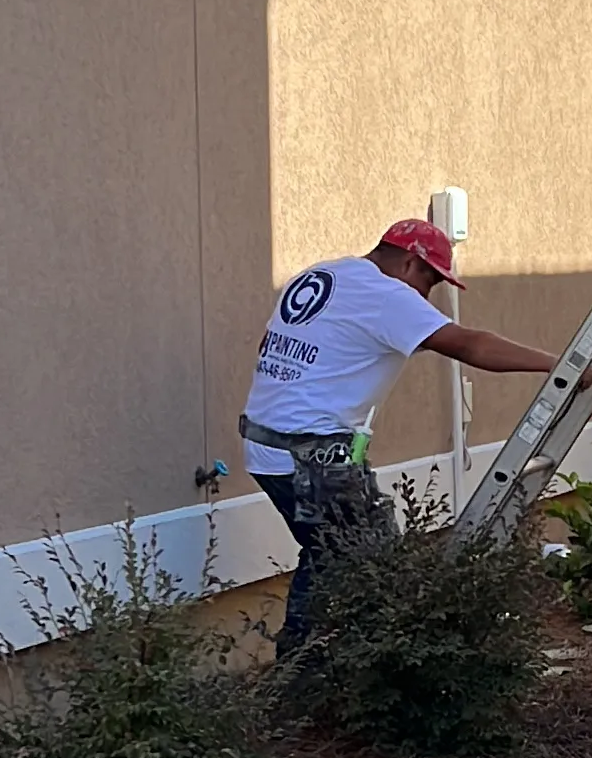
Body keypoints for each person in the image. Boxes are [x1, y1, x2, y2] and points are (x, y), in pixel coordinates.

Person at [241, 219, 574, 652]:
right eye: (430, 280)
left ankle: (313, 670)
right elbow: (470, 345)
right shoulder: (387, 296)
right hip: (310, 456)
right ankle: (309, 674)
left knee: (329, 552)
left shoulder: (321, 275)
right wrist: (558, 364)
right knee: (371, 563)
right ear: (410, 262)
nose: (427, 296)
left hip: (266, 447)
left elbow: (270, 342)